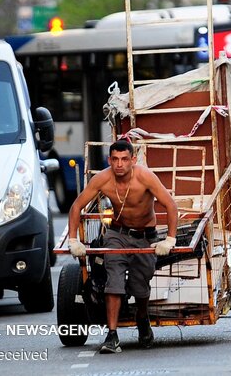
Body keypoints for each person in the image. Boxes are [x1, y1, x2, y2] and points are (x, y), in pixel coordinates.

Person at [67, 139, 178, 354]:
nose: (119, 164)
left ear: (133, 160)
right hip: (117, 234)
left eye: (124, 159)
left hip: (145, 236)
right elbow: (77, 206)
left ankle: (142, 317)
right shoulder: (102, 179)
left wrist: (170, 239)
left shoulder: (145, 177)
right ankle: (112, 335)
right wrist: (73, 240)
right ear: (109, 160)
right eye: (115, 159)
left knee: (140, 286)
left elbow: (171, 205)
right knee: (114, 282)